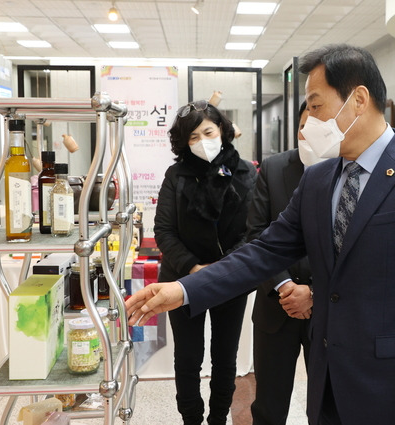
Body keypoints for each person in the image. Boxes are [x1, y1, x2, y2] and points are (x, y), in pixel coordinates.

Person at [127, 44, 395, 425]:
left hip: (394, 391)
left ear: (358, 99)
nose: (309, 122)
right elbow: (263, 251)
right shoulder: (318, 179)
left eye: (315, 106)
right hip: (328, 386)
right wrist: (183, 290)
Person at [153, 99, 257, 425]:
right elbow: (164, 232)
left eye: (208, 132)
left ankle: (217, 420)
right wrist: (195, 270)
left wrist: (224, 271)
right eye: (193, 137)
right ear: (184, 142)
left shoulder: (244, 172)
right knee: (187, 358)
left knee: (225, 358)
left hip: (231, 278)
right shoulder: (177, 175)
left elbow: (252, 230)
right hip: (183, 279)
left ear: (222, 131)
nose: (202, 141)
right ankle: (192, 421)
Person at [247, 101, 315, 425]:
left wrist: (312, 292)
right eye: (303, 125)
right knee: (268, 408)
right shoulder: (273, 169)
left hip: (329, 311)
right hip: (275, 307)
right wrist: (286, 285)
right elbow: (257, 236)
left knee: (330, 406)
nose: (307, 133)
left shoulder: (351, 171)